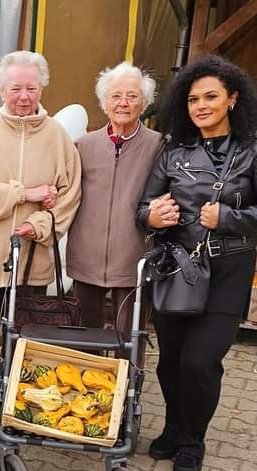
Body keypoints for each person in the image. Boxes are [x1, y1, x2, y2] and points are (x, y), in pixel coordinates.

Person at [137, 55, 257, 471]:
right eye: (192, 99)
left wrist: (228, 218)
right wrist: (152, 216)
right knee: (170, 361)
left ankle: (192, 439)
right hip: (177, 268)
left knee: (199, 362)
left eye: (211, 97)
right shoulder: (173, 152)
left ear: (232, 99)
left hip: (228, 271)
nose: (200, 105)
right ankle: (171, 426)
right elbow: (143, 206)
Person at [0, 50, 82, 421]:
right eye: (16, 88)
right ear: (1, 90)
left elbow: (70, 194)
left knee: (27, 327)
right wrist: (24, 194)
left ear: (42, 87)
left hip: (33, 256)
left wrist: (40, 226)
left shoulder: (58, 137)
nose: (24, 96)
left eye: (31, 87)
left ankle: (21, 392)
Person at [67, 62, 161, 364]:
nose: (123, 103)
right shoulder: (82, 146)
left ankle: (125, 395)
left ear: (144, 103)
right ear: (104, 102)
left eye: (132, 96)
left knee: (129, 337)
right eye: (116, 96)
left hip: (133, 256)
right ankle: (87, 391)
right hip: (86, 252)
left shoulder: (159, 147)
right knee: (86, 334)